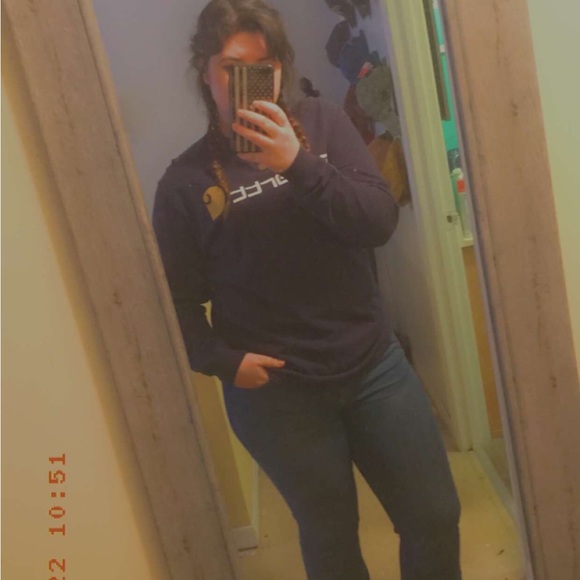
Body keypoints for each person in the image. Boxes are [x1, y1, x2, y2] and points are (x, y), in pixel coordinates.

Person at [152, 1, 462, 578]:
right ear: (204, 71)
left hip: (373, 365)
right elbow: (177, 303)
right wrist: (222, 360)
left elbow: (378, 221)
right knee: (330, 537)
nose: (248, 81)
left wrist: (297, 163)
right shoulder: (183, 184)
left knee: (434, 515)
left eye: (263, 66)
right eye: (231, 67)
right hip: (278, 396)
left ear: (279, 69)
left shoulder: (321, 124)